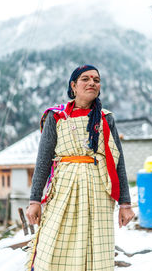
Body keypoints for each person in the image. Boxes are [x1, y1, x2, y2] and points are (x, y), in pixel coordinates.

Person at [26, 65, 135, 271]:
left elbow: (117, 161)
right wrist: (34, 200)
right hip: (63, 189)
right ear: (73, 86)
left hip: (98, 191)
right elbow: (43, 160)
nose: (92, 83)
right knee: (54, 242)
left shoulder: (105, 118)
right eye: (85, 79)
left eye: (96, 80)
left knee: (95, 247)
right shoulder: (56, 117)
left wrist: (125, 204)